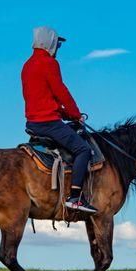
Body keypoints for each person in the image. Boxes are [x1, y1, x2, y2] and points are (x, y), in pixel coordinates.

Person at [21, 26, 98, 214]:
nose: (58, 48)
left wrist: (65, 114)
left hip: (33, 122)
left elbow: (43, 97)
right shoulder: (48, 63)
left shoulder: (27, 65)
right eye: (57, 44)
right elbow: (60, 92)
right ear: (50, 42)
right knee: (83, 149)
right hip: (48, 123)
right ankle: (75, 198)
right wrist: (75, 114)